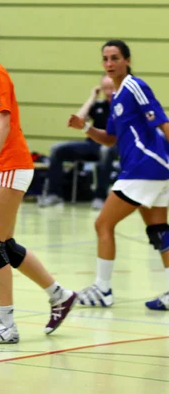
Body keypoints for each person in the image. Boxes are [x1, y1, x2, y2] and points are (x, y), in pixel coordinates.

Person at [0, 12, 77, 344]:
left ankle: (6, 324)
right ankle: (59, 295)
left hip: (9, 163)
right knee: (4, 243)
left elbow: (3, 124)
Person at [67, 40, 169, 311]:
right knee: (159, 231)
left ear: (127, 60)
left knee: (103, 224)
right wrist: (85, 126)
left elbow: (162, 121)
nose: (110, 64)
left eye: (115, 58)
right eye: (105, 59)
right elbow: (110, 139)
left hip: (144, 168)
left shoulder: (135, 86)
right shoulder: (117, 97)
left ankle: (103, 289)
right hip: (153, 171)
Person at [39, 75, 118, 209]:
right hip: (92, 144)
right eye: (105, 88)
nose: (109, 92)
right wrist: (92, 97)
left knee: (105, 150)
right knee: (57, 149)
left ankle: (100, 196)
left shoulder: (123, 106)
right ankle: (54, 194)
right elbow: (79, 119)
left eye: (111, 88)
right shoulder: (98, 105)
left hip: (113, 146)